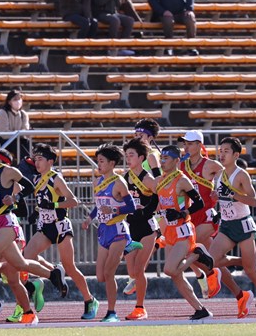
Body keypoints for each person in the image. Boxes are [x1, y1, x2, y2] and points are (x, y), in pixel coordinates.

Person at [0, 135, 58, 323]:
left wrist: (15, 199)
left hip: (7, 223)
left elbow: (29, 187)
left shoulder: (6, 171)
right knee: (18, 267)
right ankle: (47, 281)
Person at [26, 143, 100, 320]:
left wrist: (54, 205)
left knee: (70, 267)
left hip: (60, 226)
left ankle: (90, 300)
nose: (37, 163)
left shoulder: (56, 179)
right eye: (35, 159)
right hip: (44, 226)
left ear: (50, 161)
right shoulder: (36, 179)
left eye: (41, 159)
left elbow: (73, 201)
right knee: (26, 257)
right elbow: (42, 201)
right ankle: (53, 273)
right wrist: (36, 212)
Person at [208, 137, 256, 318]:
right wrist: (215, 197)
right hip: (227, 225)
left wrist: (235, 195)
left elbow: (254, 201)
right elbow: (219, 199)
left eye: (226, 151)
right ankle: (240, 261)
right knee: (211, 261)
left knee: (251, 271)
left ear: (236, 155)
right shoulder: (219, 175)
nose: (221, 154)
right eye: (220, 151)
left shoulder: (241, 174)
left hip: (243, 225)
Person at [152, 144, 213, 320]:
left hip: (183, 231)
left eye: (166, 159)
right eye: (161, 158)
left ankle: (196, 255)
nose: (162, 162)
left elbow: (199, 203)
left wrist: (182, 213)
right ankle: (200, 309)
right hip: (169, 231)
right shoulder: (161, 180)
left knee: (170, 270)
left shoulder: (182, 180)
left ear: (176, 161)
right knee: (176, 275)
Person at [81, 144, 140, 322]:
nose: (98, 165)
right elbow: (99, 206)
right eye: (97, 161)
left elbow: (132, 207)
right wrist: (90, 218)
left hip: (118, 230)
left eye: (101, 161)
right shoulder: (97, 182)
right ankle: (129, 247)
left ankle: (112, 312)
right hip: (103, 230)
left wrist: (114, 211)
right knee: (99, 276)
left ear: (112, 163)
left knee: (108, 273)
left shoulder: (119, 182)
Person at [179, 130, 222, 299]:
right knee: (215, 258)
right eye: (185, 144)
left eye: (190, 143)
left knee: (188, 248)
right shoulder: (182, 165)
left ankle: (208, 275)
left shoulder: (208, 164)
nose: (186, 146)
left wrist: (218, 189)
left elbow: (225, 173)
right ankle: (241, 294)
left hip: (206, 216)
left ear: (199, 145)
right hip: (191, 216)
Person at [120, 138, 160, 320]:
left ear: (141, 157)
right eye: (126, 155)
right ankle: (138, 283)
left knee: (139, 270)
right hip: (130, 227)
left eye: (131, 155)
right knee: (131, 272)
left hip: (147, 227)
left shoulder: (147, 178)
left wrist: (147, 211)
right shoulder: (125, 177)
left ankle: (140, 308)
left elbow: (160, 194)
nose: (128, 159)